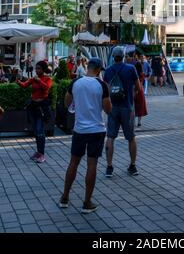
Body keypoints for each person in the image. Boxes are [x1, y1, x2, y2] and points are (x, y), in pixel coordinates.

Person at [59, 58, 112, 213]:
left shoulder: (75, 83)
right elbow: (108, 109)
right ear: (98, 70)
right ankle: (87, 202)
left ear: (88, 67)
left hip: (79, 129)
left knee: (73, 163)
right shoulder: (102, 85)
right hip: (96, 130)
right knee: (92, 165)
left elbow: (66, 103)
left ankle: (65, 197)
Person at [104, 46, 141, 178]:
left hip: (113, 107)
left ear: (113, 56)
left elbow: (106, 91)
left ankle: (109, 167)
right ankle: (132, 165)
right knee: (131, 137)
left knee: (110, 137)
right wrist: (132, 96)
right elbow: (138, 87)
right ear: (124, 56)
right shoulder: (131, 69)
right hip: (127, 107)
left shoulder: (108, 71)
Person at [17, 61, 53, 163]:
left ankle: (42, 154)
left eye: (39, 68)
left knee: (39, 130)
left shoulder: (47, 79)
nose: (37, 70)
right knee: (36, 131)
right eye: (36, 68)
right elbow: (25, 85)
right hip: (33, 107)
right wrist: (19, 82)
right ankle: (38, 152)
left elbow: (47, 88)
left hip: (42, 108)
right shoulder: (34, 78)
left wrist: (39, 81)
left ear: (44, 69)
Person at [134, 61, 148, 127]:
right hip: (140, 90)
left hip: (133, 90)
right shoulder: (142, 73)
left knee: (133, 106)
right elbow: (142, 82)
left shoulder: (133, 73)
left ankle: (133, 121)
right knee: (140, 106)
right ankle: (139, 122)